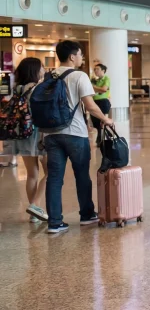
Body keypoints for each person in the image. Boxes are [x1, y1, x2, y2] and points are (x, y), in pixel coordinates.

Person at [42, 41, 114, 234]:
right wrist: (105, 119)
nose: (82, 58)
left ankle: (55, 222)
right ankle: (86, 214)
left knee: (54, 179)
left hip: (51, 134)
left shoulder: (49, 76)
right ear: (72, 57)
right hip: (74, 134)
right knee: (82, 175)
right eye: (80, 54)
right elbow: (90, 105)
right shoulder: (78, 76)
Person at [3, 57, 48, 222]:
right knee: (52, 172)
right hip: (38, 133)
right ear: (35, 71)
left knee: (32, 174)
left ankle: (34, 214)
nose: (43, 69)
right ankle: (35, 206)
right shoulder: (38, 88)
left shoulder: (16, 88)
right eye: (41, 67)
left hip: (21, 134)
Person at [90, 63, 111, 147]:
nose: (95, 71)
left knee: (103, 122)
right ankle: (101, 137)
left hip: (103, 102)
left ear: (103, 70)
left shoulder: (106, 78)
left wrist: (94, 87)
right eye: (94, 69)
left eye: (97, 69)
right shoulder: (95, 80)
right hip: (94, 103)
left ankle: (103, 138)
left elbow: (104, 89)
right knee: (96, 123)